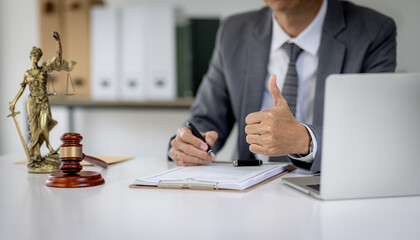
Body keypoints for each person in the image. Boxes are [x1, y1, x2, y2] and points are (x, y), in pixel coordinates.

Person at [169, 0, 396, 172]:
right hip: (249, 191)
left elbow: (373, 137)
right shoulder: (234, 31)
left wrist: (305, 141)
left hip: (329, 186)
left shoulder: (373, 32)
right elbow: (206, 119)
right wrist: (188, 145)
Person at [9, 32, 75, 170]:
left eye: (37, 56)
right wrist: (14, 102)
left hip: (43, 100)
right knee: (34, 130)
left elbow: (58, 58)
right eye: (33, 56)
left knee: (44, 126)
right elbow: (22, 88)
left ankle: (49, 147)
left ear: (39, 57)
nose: (35, 58)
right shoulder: (27, 73)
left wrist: (58, 41)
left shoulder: (44, 68)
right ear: (30, 57)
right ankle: (36, 157)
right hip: (32, 102)